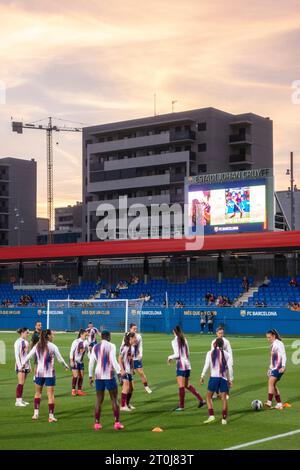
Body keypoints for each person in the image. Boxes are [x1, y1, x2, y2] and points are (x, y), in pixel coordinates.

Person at [22, 329, 69, 422]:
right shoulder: (53, 346)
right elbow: (60, 359)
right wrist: (66, 366)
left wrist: (23, 364)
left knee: (37, 393)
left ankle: (36, 414)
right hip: (49, 373)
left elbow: (28, 356)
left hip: (39, 373)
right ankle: (51, 416)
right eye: (53, 335)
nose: (54, 336)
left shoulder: (37, 345)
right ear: (48, 336)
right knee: (50, 395)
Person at [89, 330, 123, 431]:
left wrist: (90, 376)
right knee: (114, 399)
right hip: (108, 374)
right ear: (108, 336)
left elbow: (91, 362)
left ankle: (97, 423)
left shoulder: (95, 347)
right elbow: (113, 359)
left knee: (99, 399)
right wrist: (119, 373)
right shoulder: (111, 345)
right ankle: (117, 423)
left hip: (98, 375)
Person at [167, 325, 206, 411]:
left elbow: (177, 354)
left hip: (181, 365)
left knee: (181, 386)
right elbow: (188, 352)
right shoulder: (184, 339)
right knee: (186, 385)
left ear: (174, 332)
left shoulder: (174, 341)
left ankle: (181, 406)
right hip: (187, 365)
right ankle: (201, 400)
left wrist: (169, 357)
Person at [200, 337, 233, 425]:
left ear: (214, 344)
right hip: (223, 378)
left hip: (214, 378)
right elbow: (229, 368)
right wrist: (230, 379)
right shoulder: (227, 354)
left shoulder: (209, 353)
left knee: (208, 397)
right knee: (224, 399)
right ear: (223, 345)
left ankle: (211, 416)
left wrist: (202, 376)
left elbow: (206, 365)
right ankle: (224, 419)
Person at [122, 323, 152, 394]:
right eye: (134, 328)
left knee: (141, 372)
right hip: (128, 359)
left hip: (136, 358)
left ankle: (146, 387)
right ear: (130, 329)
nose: (135, 330)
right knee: (128, 375)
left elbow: (140, 346)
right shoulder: (126, 336)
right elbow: (122, 346)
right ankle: (126, 389)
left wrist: (140, 355)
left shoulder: (138, 336)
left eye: (136, 328)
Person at [264, 329, 286, 410]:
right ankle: (279, 404)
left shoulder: (279, 343)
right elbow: (273, 358)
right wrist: (270, 368)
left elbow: (283, 355)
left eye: (269, 337)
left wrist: (283, 366)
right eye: (267, 337)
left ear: (274, 336)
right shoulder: (273, 344)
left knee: (270, 382)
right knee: (273, 385)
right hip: (274, 367)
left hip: (279, 367)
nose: (268, 339)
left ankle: (269, 402)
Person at [119, 332, 136, 411]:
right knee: (126, 386)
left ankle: (127, 404)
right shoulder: (124, 347)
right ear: (130, 338)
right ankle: (122, 406)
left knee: (131, 388)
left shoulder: (132, 348)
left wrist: (133, 369)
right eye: (134, 338)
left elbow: (131, 359)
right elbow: (119, 359)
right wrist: (122, 370)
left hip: (129, 370)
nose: (135, 339)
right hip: (124, 370)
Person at [70, 329, 89, 396]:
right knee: (75, 376)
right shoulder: (76, 341)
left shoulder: (86, 342)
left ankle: (79, 390)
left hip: (80, 362)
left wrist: (91, 358)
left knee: (81, 376)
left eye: (86, 335)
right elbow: (71, 351)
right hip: (74, 361)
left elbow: (88, 352)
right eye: (85, 335)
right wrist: (71, 360)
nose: (86, 336)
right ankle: (73, 390)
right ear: (81, 334)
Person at [14, 327, 31, 407]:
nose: (28, 334)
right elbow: (17, 355)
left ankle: (20, 399)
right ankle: (18, 401)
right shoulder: (17, 342)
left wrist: (29, 365)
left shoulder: (26, 342)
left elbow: (27, 355)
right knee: (20, 383)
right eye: (27, 332)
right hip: (20, 365)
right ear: (22, 332)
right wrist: (20, 366)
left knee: (22, 383)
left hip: (26, 365)